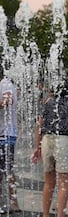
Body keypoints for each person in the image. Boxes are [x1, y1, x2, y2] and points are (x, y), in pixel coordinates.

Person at [32, 77, 68, 217]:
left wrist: (37, 147)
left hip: (47, 141)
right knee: (63, 183)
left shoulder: (48, 102)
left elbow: (39, 125)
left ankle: (45, 215)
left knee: (48, 182)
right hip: (64, 140)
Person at [0, 65, 20, 214]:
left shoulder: (5, 84)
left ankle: (14, 202)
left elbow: (7, 101)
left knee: (7, 169)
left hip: (6, 134)